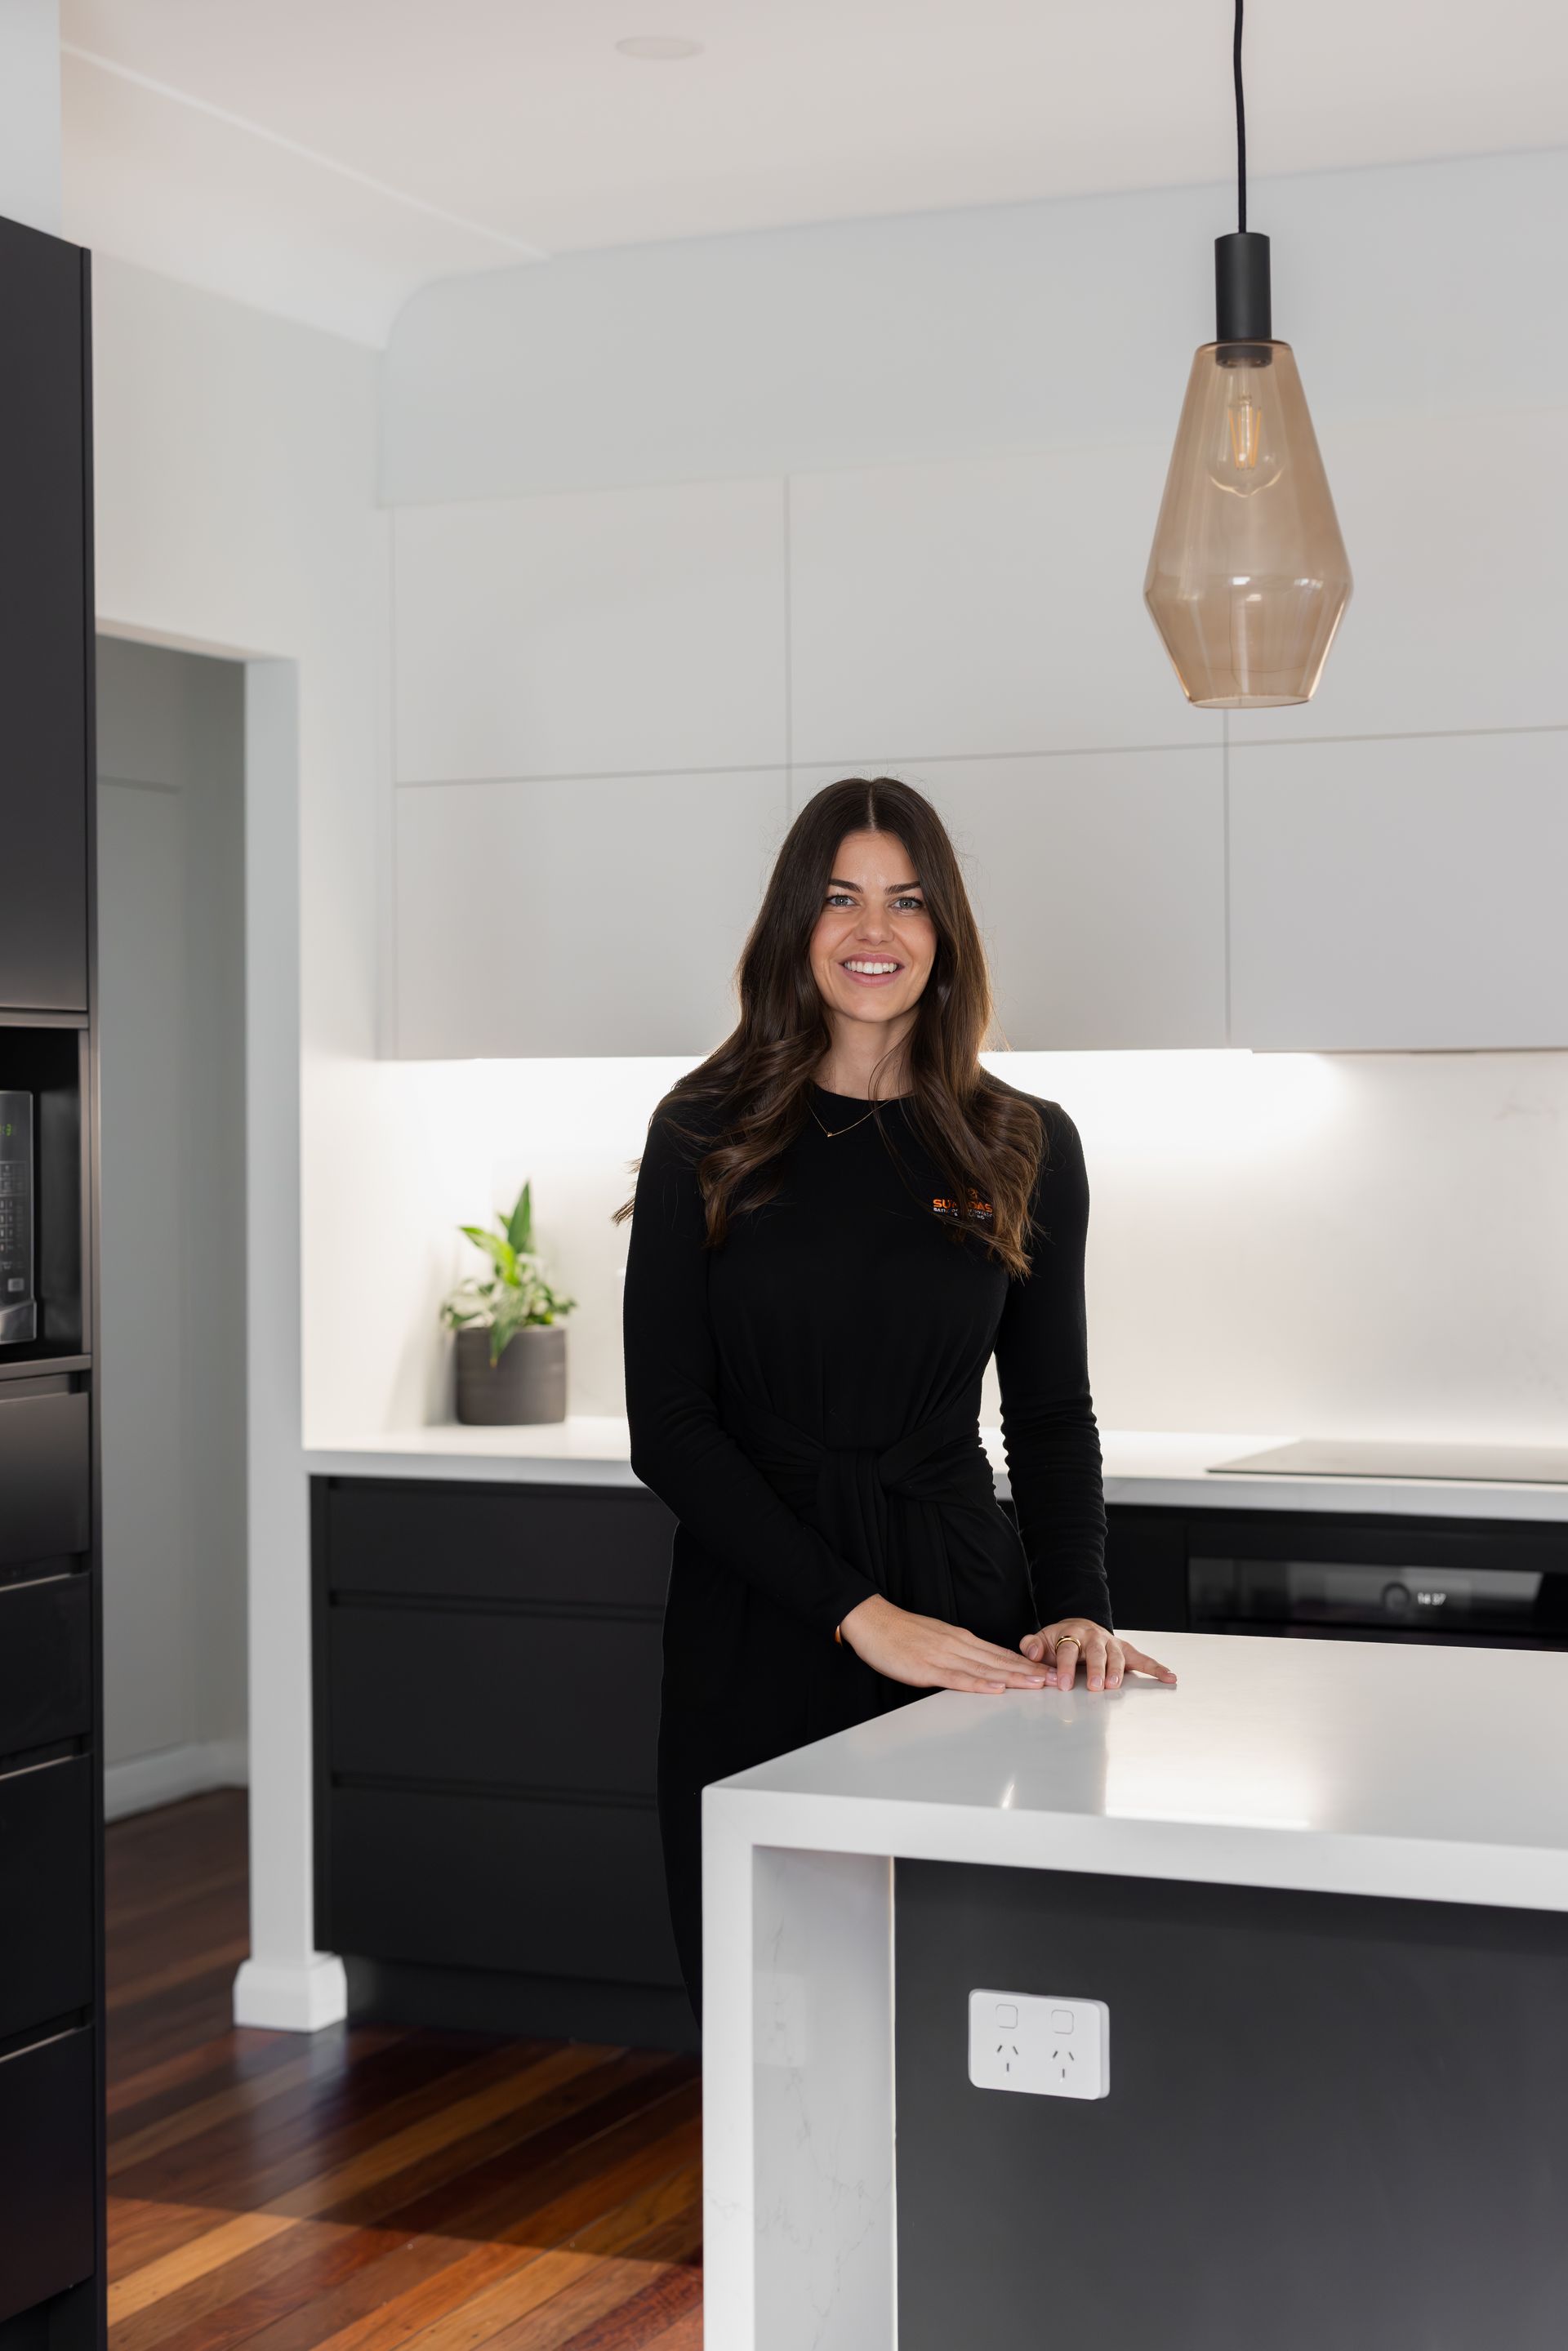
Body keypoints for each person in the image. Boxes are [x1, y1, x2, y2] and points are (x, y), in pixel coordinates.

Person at [618, 775, 1175, 2022]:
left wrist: (1077, 1606)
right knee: (768, 1997)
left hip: (962, 1609)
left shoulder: (1023, 1140)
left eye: (908, 901)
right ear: (793, 929)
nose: (876, 931)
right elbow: (670, 1428)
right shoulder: (702, 1132)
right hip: (760, 1614)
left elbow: (1048, 1414)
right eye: (842, 900)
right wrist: (855, 1614)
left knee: (954, 2001)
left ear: (946, 933)